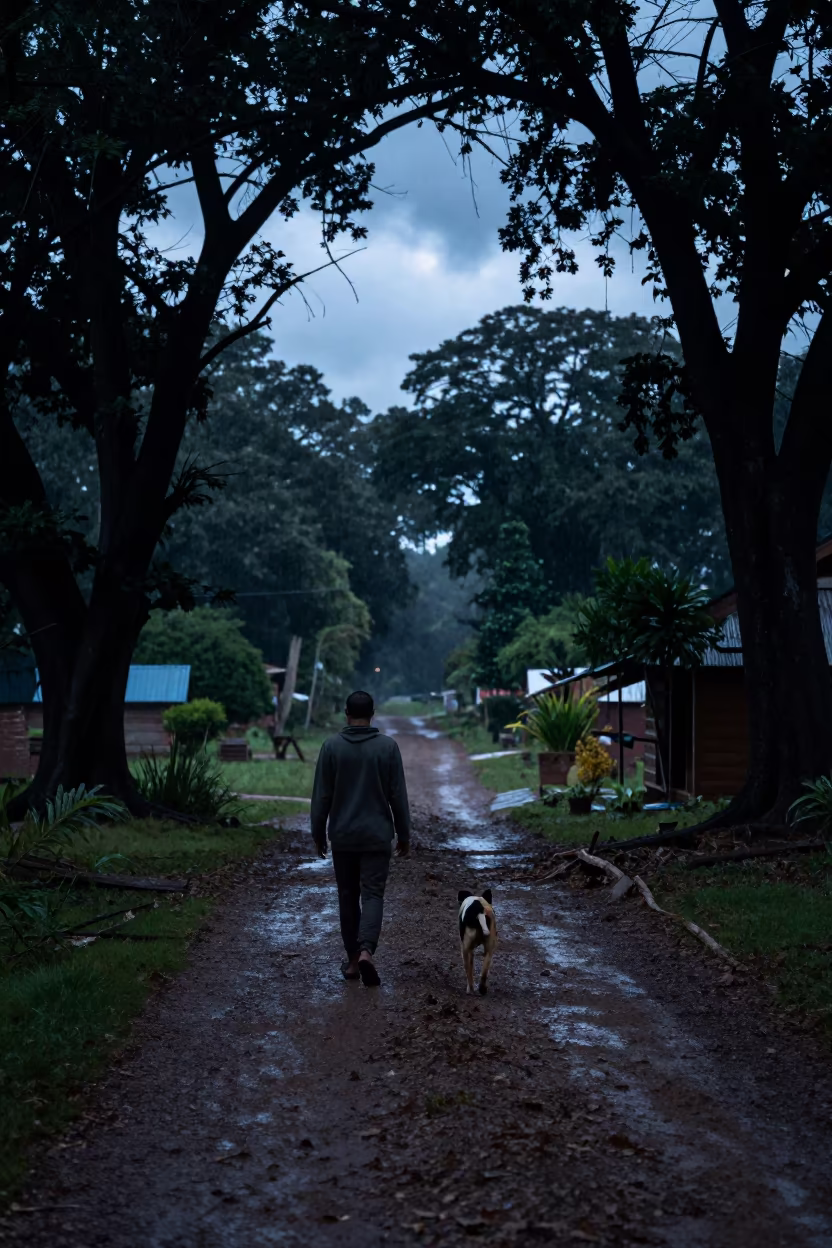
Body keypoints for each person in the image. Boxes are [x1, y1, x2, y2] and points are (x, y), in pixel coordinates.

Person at [311, 690, 410, 987]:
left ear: (346, 713)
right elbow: (398, 796)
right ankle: (367, 951)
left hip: (343, 837)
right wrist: (404, 834)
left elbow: (321, 796)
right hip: (377, 837)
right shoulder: (388, 748)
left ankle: (353, 961)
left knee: (347, 896)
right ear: (373, 713)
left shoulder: (331, 747)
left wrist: (318, 834)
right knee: (373, 895)